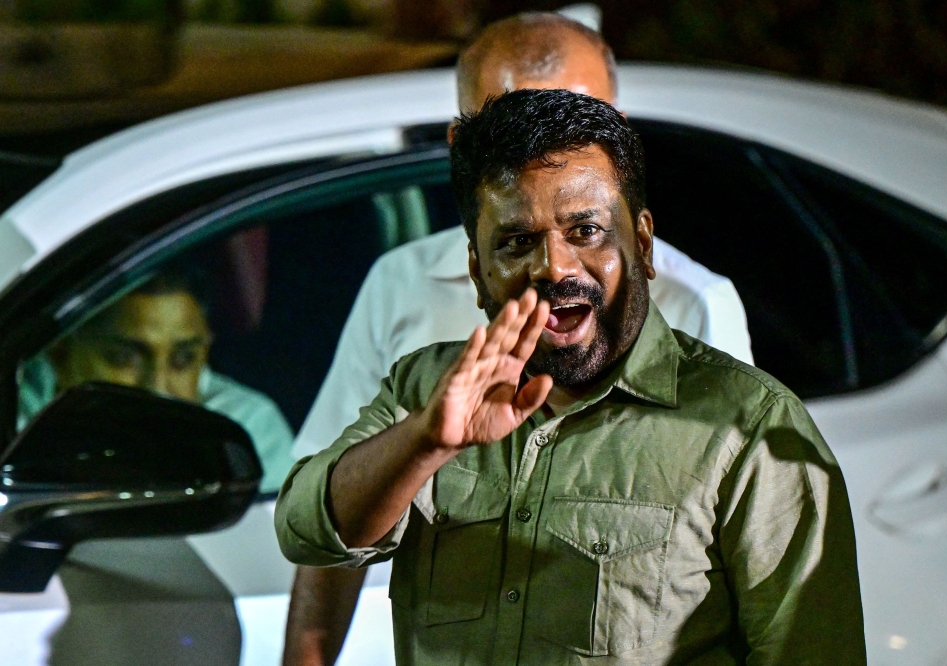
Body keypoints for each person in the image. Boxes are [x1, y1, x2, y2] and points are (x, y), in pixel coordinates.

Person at [276, 88, 865, 664]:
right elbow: (305, 530)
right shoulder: (426, 386)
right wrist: (425, 442)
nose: (553, 266)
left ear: (641, 241)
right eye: (516, 242)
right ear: (478, 273)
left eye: (585, 231)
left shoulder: (747, 424)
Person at [18, 266, 297, 492]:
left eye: (183, 359)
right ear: (60, 352)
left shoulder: (250, 428)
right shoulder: (15, 415)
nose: (158, 390)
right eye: (123, 358)